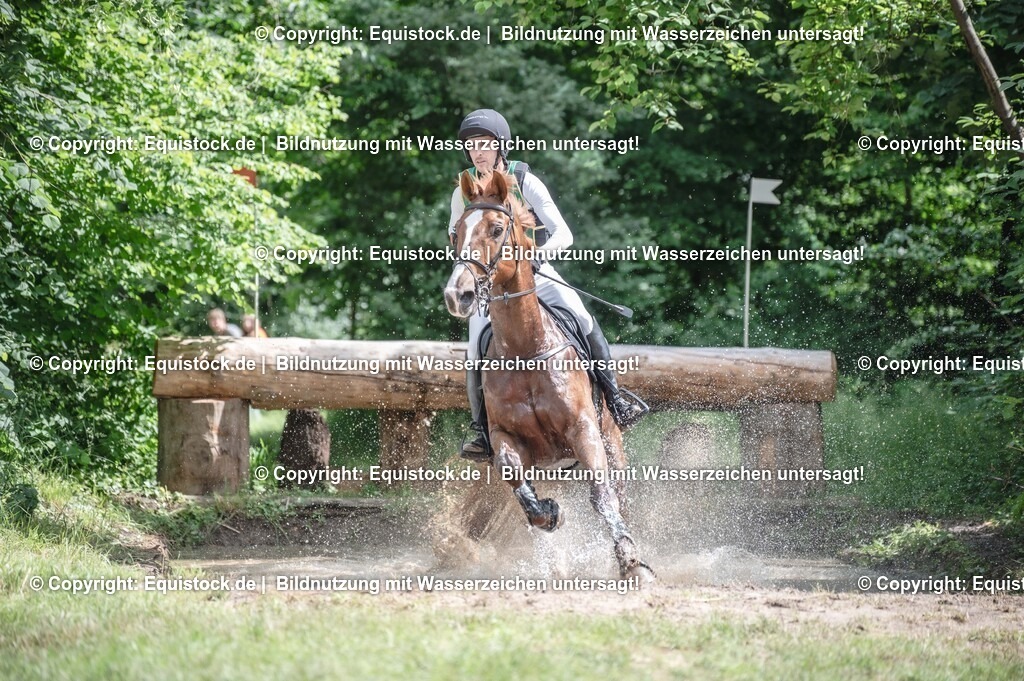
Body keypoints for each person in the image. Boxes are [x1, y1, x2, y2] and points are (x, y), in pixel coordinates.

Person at [448, 109, 646, 460]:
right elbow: (457, 236)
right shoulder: (462, 191)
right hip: (489, 285)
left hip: (536, 272)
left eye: (485, 144)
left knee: (583, 320)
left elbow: (564, 233)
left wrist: (537, 256)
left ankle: (615, 401)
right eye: (471, 145)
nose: (477, 151)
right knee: (476, 352)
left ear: (500, 147)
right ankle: (481, 430)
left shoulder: (525, 180)